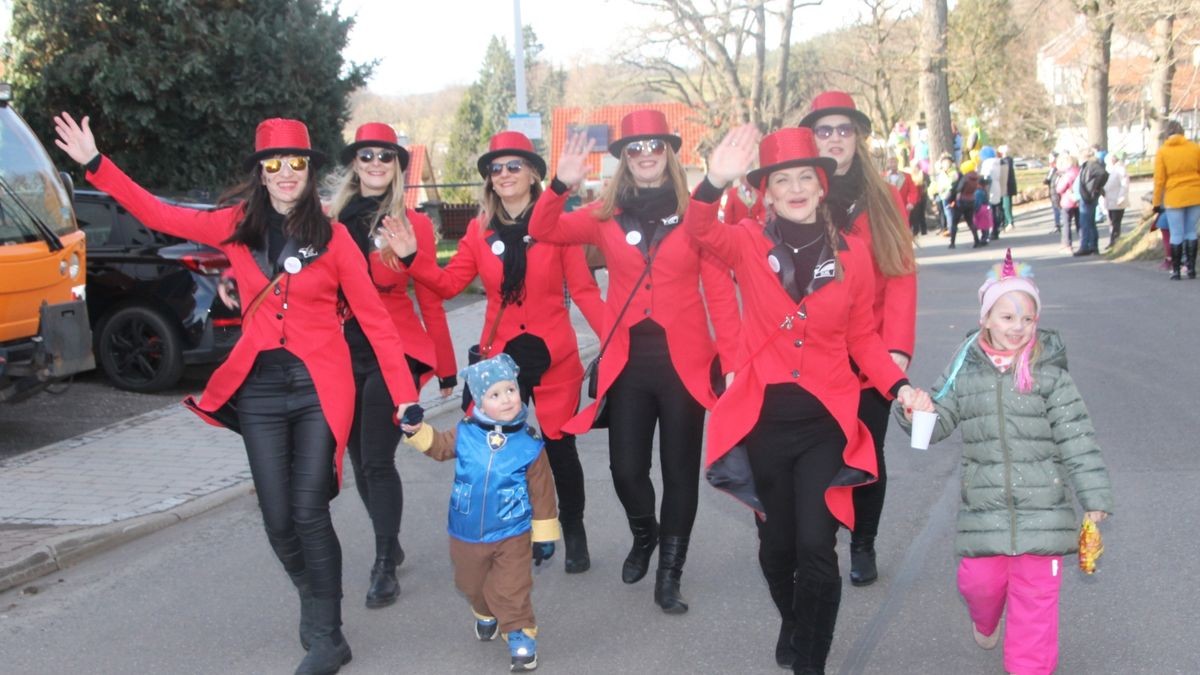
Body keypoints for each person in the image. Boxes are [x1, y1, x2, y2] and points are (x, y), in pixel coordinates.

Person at [53, 113, 418, 675]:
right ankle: (311, 594)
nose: (286, 173)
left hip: (323, 383)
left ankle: (328, 634)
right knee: (276, 518)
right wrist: (96, 165)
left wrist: (404, 396)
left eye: (297, 162)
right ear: (261, 174)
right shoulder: (233, 226)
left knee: (308, 509)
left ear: (309, 169)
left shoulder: (335, 237)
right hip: (260, 388)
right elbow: (158, 212)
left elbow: (375, 321)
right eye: (274, 164)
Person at [687, 124, 925, 672]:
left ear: (822, 187)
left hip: (827, 423)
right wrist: (715, 179)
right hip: (763, 421)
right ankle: (796, 621)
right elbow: (698, 229)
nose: (794, 188)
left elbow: (862, 337)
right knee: (777, 550)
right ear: (765, 193)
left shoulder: (856, 255)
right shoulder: (746, 241)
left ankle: (810, 661)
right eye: (781, 180)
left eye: (804, 178)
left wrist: (900, 385)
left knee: (817, 549)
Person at [530, 109, 741, 614]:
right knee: (626, 470)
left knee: (679, 472)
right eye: (634, 148)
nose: (645, 154)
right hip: (627, 365)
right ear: (624, 158)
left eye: (654, 146)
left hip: (683, 365)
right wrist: (561, 182)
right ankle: (644, 533)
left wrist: (732, 361)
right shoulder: (604, 216)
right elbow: (544, 228)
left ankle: (670, 572)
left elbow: (719, 294)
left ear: (668, 153)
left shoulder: (698, 215)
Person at [383, 130, 603, 574]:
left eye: (513, 166)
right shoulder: (478, 230)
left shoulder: (558, 225)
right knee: (493, 449)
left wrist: (620, 341)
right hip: (499, 364)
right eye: (495, 169)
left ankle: (572, 529)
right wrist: (411, 259)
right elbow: (448, 285)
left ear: (534, 174)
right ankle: (509, 535)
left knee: (559, 449)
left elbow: (582, 290)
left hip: (553, 357)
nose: (503, 175)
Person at [900, 249, 1113, 675]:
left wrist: (1094, 496)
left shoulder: (1050, 375)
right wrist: (916, 410)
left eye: (1027, 319)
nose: (1017, 327)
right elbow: (939, 422)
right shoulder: (965, 368)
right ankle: (985, 618)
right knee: (979, 585)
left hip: (1045, 513)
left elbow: (1078, 438)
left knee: (1035, 608)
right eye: (1006, 317)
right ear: (985, 319)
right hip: (985, 511)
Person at [327, 122, 457, 608]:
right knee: (359, 458)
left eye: (386, 156)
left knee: (378, 458)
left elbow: (435, 298)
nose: (376, 163)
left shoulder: (412, 223)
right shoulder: (331, 221)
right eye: (367, 156)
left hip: (395, 349)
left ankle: (384, 562)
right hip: (344, 347)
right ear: (355, 164)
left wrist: (444, 366)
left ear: (399, 166)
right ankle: (392, 538)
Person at [798, 90, 918, 590]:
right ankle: (815, 538)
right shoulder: (797, 190)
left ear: (857, 137)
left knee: (868, 453)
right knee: (814, 451)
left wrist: (898, 348)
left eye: (842, 130)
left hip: (869, 351)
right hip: (812, 351)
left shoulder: (883, 197)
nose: (833, 139)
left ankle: (863, 542)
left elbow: (902, 273)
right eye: (823, 131)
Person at [401, 354, 559, 673]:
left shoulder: (530, 445)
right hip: (466, 530)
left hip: (512, 531)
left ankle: (520, 634)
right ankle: (483, 610)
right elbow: (439, 446)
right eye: (495, 394)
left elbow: (542, 492)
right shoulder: (466, 432)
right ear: (479, 403)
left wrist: (543, 535)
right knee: (470, 584)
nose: (507, 399)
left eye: (511, 390)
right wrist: (416, 429)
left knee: (513, 586)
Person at [1151, 119, 1200, 280]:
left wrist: (1156, 203)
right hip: (1195, 194)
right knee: (1191, 231)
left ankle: (1176, 270)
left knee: (1176, 234)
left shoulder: (1163, 152)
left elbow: (1159, 180)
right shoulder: (1194, 148)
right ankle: (1191, 268)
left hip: (1174, 196)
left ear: (1167, 134)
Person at [1074, 147, 1108, 256]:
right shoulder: (1087, 166)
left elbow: (1103, 174)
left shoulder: (1092, 165)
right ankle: (1093, 246)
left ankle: (1085, 246)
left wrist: (1095, 187)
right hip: (1087, 196)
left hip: (1088, 196)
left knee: (1085, 223)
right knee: (1090, 223)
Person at [949, 160, 982, 249]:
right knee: (970, 221)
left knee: (954, 222)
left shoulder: (965, 178)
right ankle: (976, 240)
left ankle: (952, 243)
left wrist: (952, 197)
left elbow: (958, 189)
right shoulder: (976, 177)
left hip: (961, 200)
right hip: (971, 200)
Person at [1101, 152, 1129, 249]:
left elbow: (1124, 185)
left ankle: (1115, 241)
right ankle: (1112, 241)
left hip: (1117, 200)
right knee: (1111, 222)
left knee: (1116, 222)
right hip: (1110, 200)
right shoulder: (1112, 170)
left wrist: (1121, 197)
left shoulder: (1120, 169)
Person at [1055, 155, 1080, 251]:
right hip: (1078, 201)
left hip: (1067, 201)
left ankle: (1067, 244)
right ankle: (1084, 241)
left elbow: (1060, 188)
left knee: (1066, 224)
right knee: (1080, 223)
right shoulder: (1079, 171)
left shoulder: (1068, 174)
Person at [998, 145, 1018, 230]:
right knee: (1005, 205)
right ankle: (1006, 221)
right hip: (1005, 186)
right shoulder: (1007, 160)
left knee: (1006, 205)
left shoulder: (1006, 161)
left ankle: (1009, 221)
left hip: (1006, 186)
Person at [1043, 153, 1061, 234]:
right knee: (1056, 208)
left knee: (1057, 208)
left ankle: (1057, 224)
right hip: (1053, 191)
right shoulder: (1052, 170)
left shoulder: (1056, 169)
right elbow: (1046, 180)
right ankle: (1057, 224)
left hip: (1056, 191)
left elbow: (1047, 180)